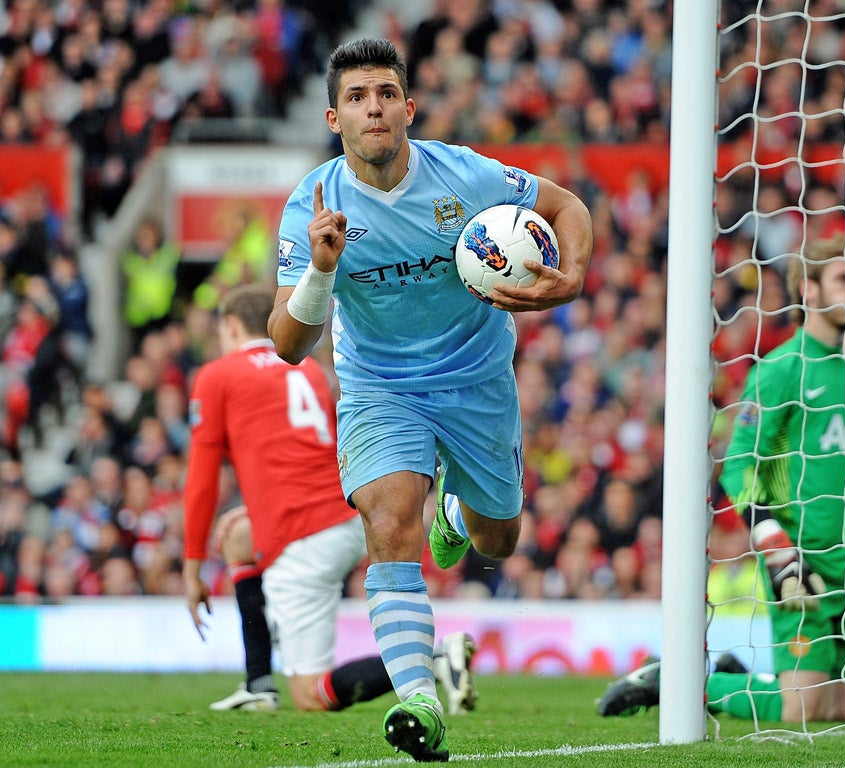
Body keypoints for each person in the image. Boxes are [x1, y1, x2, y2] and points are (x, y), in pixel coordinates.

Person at [268, 38, 593, 762]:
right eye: (357, 97)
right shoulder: (312, 206)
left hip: (477, 377)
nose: (373, 108)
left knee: (495, 541)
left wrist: (569, 278)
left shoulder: (465, 175)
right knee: (388, 519)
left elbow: (564, 204)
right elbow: (289, 343)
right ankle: (418, 697)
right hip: (381, 385)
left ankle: (456, 508)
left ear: (408, 107)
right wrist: (321, 270)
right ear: (333, 118)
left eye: (385, 93)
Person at [596, 234, 845, 723]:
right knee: (801, 710)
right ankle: (677, 679)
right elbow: (739, 466)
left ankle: (732, 674)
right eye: (844, 279)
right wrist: (777, 548)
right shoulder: (781, 370)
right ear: (811, 291)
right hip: (802, 560)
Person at [183, 285, 477, 716]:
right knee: (239, 537)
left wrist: (192, 567)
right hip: (347, 513)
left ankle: (430, 661)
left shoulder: (218, 375)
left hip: (304, 537)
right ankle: (259, 683)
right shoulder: (307, 370)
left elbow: (202, 479)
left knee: (309, 697)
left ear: (230, 327)